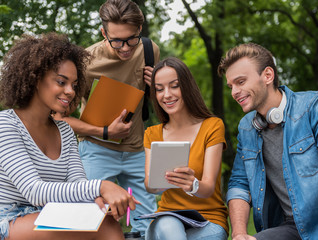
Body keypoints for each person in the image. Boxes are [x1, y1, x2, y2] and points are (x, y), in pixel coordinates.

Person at [0, 33, 139, 240]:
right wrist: (101, 186)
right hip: (10, 217)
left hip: (54, 214)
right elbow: (34, 191)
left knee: (107, 223)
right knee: (96, 230)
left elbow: (77, 183)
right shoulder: (6, 124)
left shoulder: (64, 130)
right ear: (35, 78)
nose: (70, 91)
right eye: (61, 82)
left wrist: (97, 201)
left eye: (74, 85)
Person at [218, 42, 318, 240]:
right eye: (231, 86)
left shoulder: (315, 106)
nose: (234, 92)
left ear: (268, 75)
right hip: (290, 229)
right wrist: (240, 233)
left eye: (240, 82)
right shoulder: (246, 127)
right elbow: (239, 185)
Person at [56, 0, 160, 235]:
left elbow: (157, 105)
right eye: (117, 41)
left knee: (149, 225)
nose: (125, 48)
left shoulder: (150, 50)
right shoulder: (84, 62)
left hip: (137, 151)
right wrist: (105, 132)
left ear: (140, 31)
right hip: (96, 150)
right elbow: (59, 118)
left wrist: (156, 87)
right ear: (104, 32)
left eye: (131, 39)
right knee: (89, 220)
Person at [143, 57, 229, 240]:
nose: (166, 95)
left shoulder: (212, 126)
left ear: (187, 87)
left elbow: (207, 188)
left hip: (209, 220)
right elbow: (149, 184)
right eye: (159, 89)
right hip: (168, 219)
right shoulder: (152, 134)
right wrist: (157, 183)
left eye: (174, 86)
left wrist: (193, 184)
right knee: (170, 228)